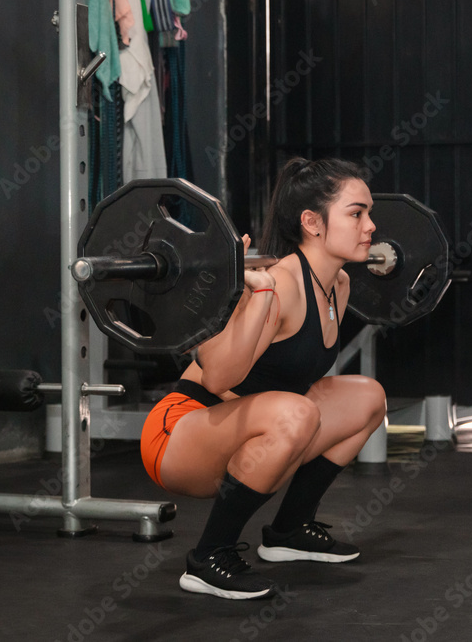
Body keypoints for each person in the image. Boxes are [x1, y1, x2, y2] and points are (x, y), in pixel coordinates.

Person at [139, 157, 387, 600]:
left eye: (368, 213)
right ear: (312, 222)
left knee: (367, 396)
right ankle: (208, 558)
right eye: (356, 213)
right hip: (179, 432)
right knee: (296, 411)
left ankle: (289, 530)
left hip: (245, 426)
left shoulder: (339, 285)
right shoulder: (279, 283)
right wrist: (257, 295)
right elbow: (217, 378)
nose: (370, 226)